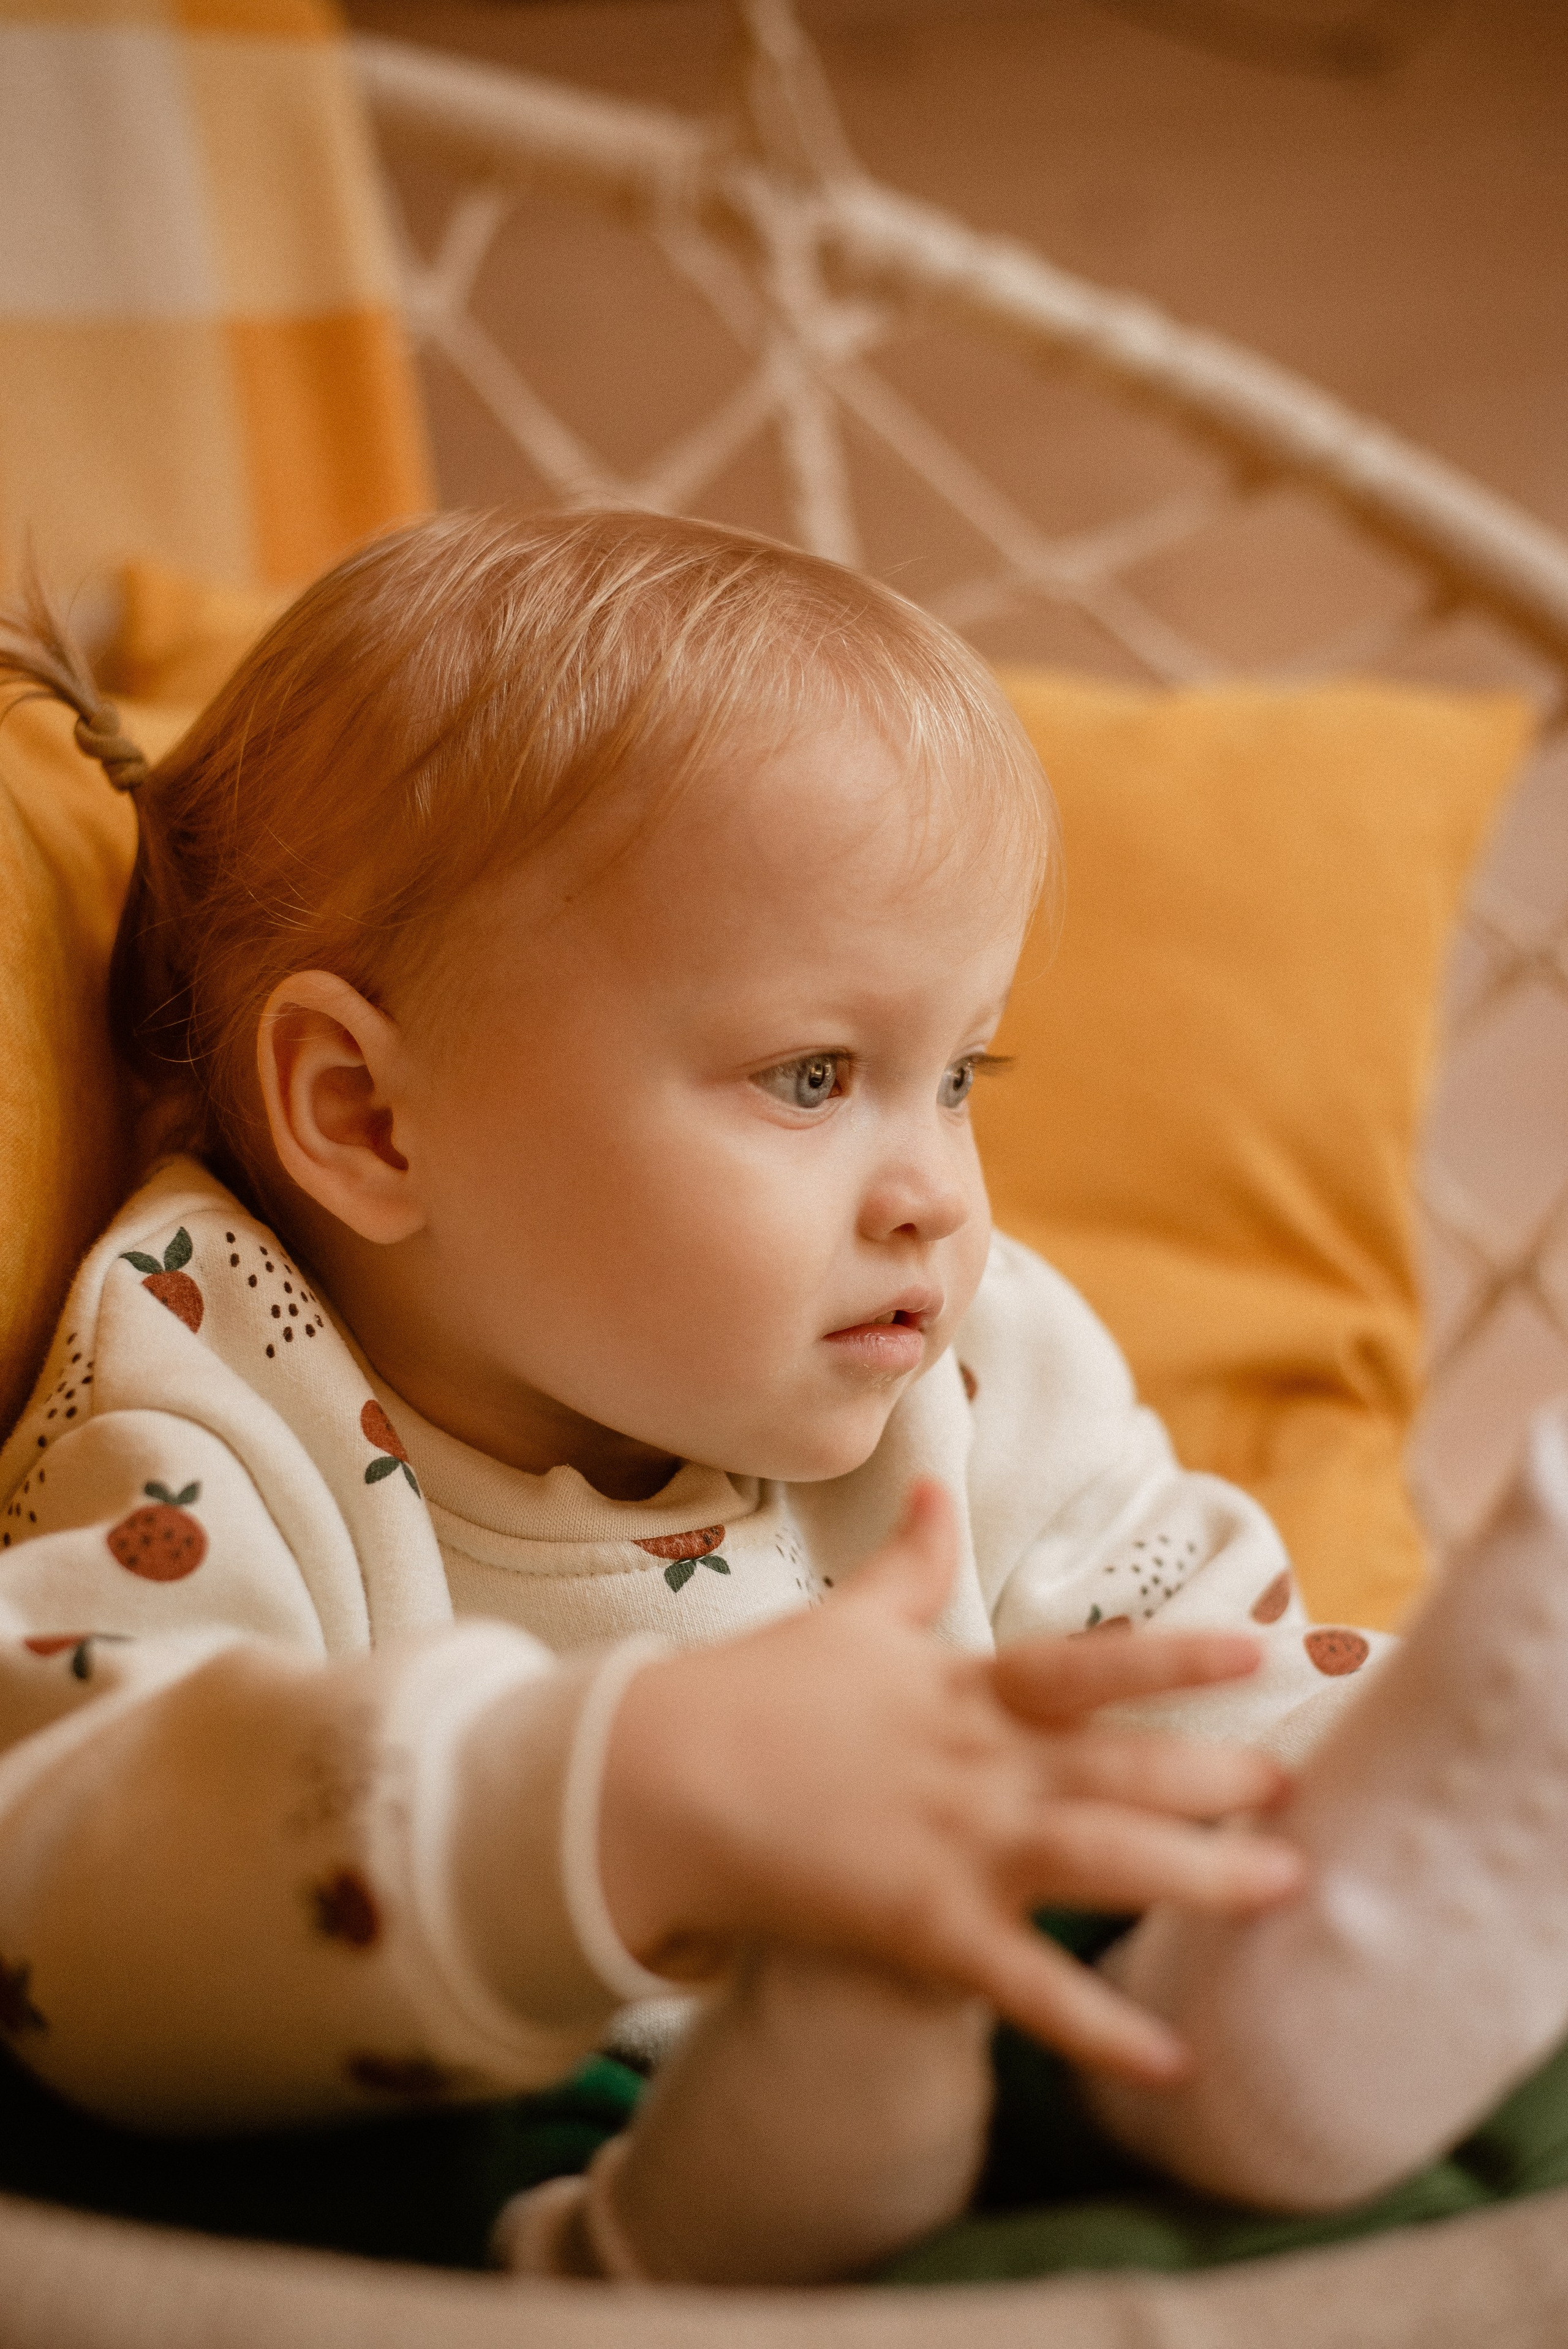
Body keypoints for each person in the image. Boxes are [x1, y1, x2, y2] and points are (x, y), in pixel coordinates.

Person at [1, 508, 1565, 2286]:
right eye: (814, 1074)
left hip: (997, 2063)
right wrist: (620, 1794)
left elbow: (1184, 1654)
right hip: (508, 2195)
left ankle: (1279, 2027)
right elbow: (67, 1870)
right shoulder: (221, 1380)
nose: (937, 1194)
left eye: (959, 1072)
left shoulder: (953, 1353)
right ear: (369, 1117)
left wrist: (1328, 1789)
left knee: (1373, 2028)